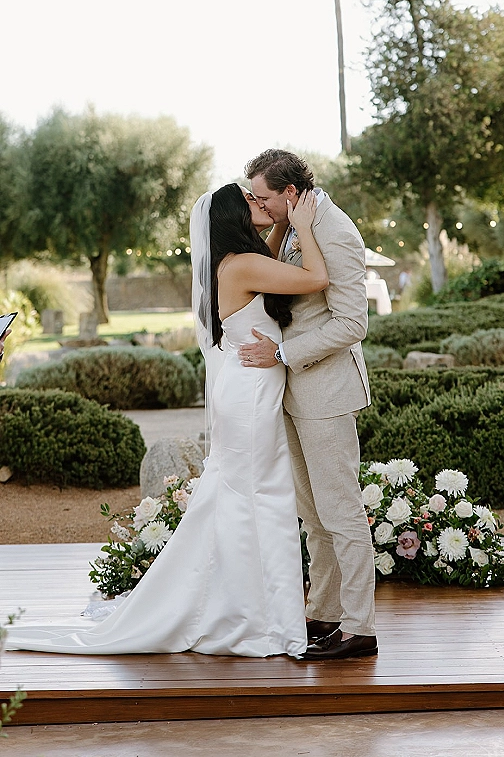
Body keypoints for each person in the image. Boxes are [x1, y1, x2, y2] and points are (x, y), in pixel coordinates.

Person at [6, 183, 328, 658]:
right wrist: (300, 224)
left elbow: (281, 262)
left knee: (250, 498)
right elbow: (317, 278)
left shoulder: (241, 260)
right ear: (234, 216)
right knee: (257, 499)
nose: (262, 203)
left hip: (249, 389)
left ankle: (256, 614)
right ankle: (255, 620)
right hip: (250, 395)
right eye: (252, 200)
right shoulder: (242, 265)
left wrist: (283, 224)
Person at [240, 149, 377, 661]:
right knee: (312, 513)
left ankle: (360, 628)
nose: (259, 204)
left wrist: (281, 353)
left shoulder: (336, 230)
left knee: (341, 512)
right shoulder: (298, 224)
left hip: (327, 392)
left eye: (264, 196)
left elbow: (351, 324)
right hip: (296, 392)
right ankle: (324, 612)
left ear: (290, 193)